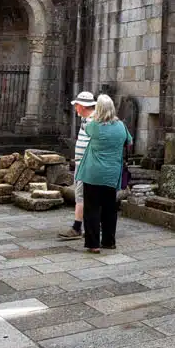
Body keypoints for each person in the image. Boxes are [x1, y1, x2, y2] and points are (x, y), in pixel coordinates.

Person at [73, 93, 132, 253]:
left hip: (92, 173)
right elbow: (129, 141)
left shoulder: (95, 126)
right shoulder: (121, 126)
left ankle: (93, 244)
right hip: (111, 174)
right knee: (109, 208)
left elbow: (87, 128)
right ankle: (108, 241)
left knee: (91, 208)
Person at [57, 90, 96, 240]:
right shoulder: (86, 119)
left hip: (88, 165)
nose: (75, 108)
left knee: (86, 196)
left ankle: (81, 227)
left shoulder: (93, 121)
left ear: (83, 106)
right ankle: (78, 226)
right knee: (81, 195)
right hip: (82, 164)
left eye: (77, 105)